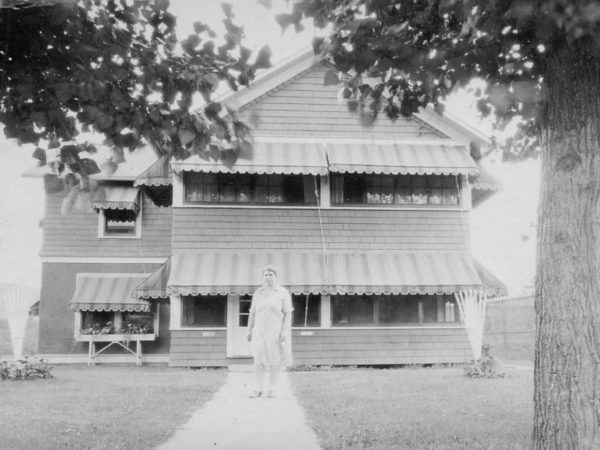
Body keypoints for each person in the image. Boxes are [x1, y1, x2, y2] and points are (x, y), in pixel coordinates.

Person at [247, 265, 293, 398]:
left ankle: (272, 388)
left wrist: (284, 331)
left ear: (275, 277)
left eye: (271, 274)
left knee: (274, 360)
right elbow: (252, 313)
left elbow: (288, 313)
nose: (268, 277)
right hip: (259, 331)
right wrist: (249, 330)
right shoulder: (258, 293)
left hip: (274, 331)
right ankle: (258, 388)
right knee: (258, 360)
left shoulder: (282, 292)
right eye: (266, 275)